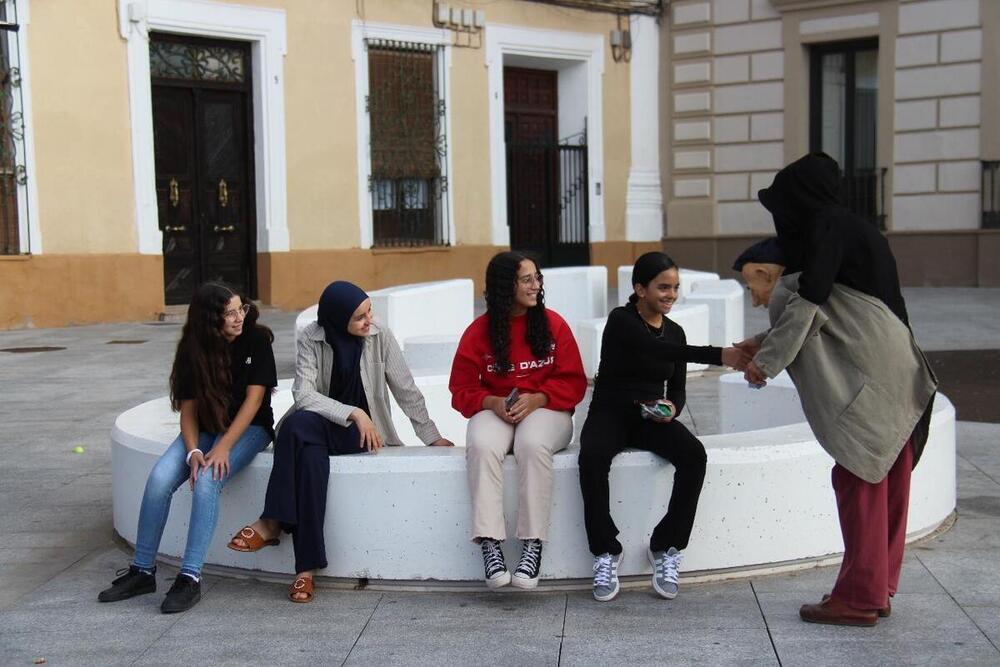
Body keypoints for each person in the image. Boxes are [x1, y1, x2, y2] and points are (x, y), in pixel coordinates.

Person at [736, 152, 937, 627]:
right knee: (888, 476)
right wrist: (762, 343)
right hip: (899, 369)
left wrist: (764, 363)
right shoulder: (859, 228)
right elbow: (834, 312)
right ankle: (875, 586)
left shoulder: (826, 226)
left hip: (871, 376)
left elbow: (813, 302)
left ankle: (859, 598)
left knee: (857, 480)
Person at [227, 280, 453, 602]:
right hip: (322, 428)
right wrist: (352, 412)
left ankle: (272, 522)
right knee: (308, 456)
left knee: (294, 430)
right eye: (359, 316)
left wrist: (430, 436)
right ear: (336, 318)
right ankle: (306, 570)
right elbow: (303, 393)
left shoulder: (380, 337)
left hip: (363, 435)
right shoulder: (312, 337)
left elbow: (406, 390)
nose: (369, 320)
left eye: (369, 311)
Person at [578, 252, 749, 602]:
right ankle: (606, 551)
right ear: (640, 289)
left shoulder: (676, 332)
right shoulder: (621, 320)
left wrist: (672, 409)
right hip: (609, 411)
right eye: (663, 287)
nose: (671, 294)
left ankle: (666, 545)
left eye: (675, 287)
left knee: (693, 455)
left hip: (649, 417)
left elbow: (679, 390)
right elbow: (652, 349)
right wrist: (721, 355)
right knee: (592, 457)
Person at [98, 282, 277, 613]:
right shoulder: (193, 352)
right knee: (159, 479)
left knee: (208, 481)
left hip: (249, 430)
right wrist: (193, 450)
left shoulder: (256, 340)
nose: (239, 318)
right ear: (210, 320)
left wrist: (223, 448)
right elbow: (189, 412)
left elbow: (254, 403)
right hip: (205, 430)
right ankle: (142, 571)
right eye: (230, 313)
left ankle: (190, 578)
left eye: (242, 309)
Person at [449, 251, 587, 590]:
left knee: (532, 443)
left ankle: (532, 544)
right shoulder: (478, 332)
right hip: (497, 409)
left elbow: (574, 381)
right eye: (527, 279)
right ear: (504, 285)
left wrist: (539, 398)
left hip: (549, 411)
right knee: (481, 444)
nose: (536, 285)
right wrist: (491, 401)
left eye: (537, 278)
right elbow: (460, 388)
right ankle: (490, 542)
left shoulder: (554, 324)